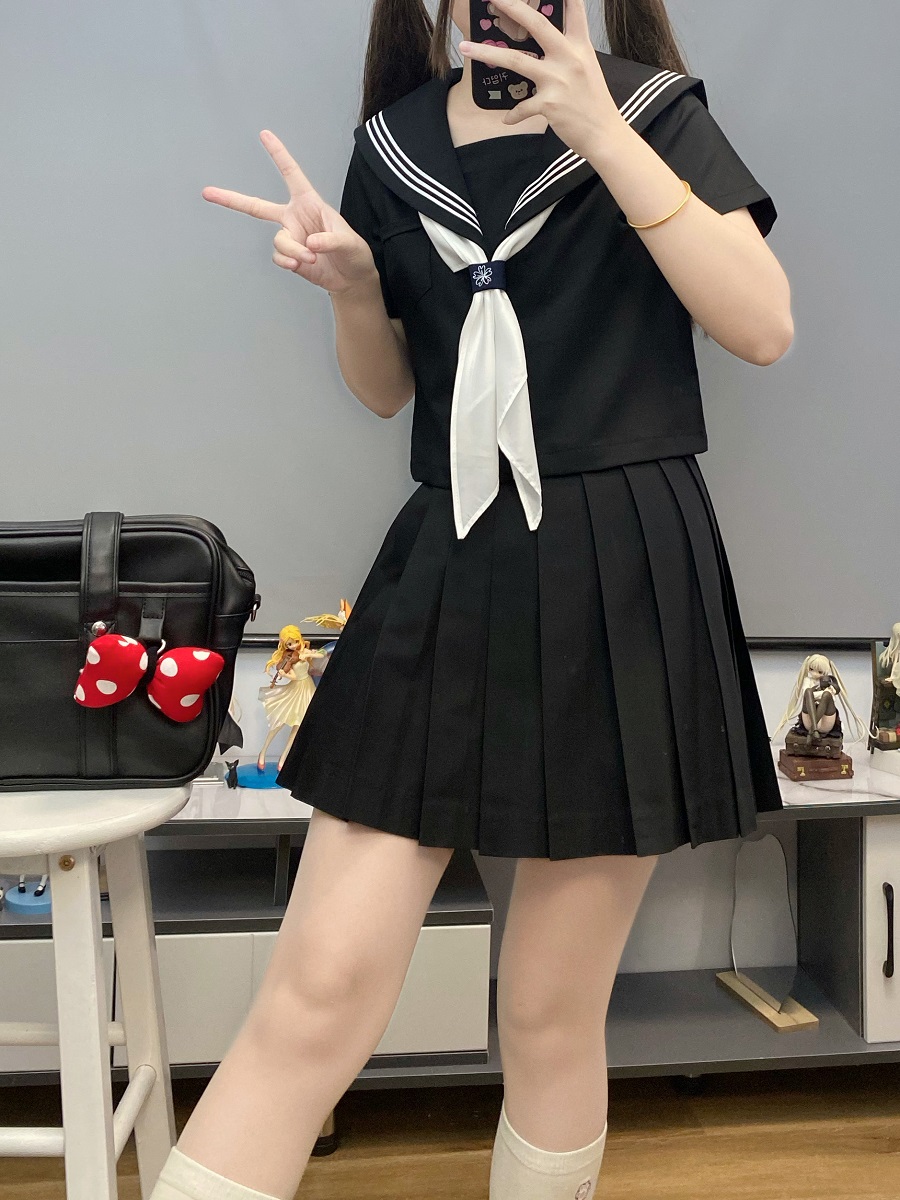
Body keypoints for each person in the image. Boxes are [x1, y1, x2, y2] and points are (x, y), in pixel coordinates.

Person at [152, 0, 792, 1196]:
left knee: (549, 1012)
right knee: (316, 989)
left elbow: (763, 325)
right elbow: (391, 391)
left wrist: (600, 131)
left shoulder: (649, 111)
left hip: (623, 566)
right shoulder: (392, 143)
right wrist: (353, 288)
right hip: (451, 556)